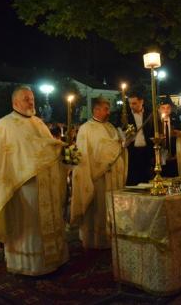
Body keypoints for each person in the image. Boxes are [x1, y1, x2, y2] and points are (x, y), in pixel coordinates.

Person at [0, 85, 69, 276]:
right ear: (15, 102)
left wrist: (64, 154)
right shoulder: (4, 125)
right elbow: (1, 161)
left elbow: (49, 150)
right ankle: (28, 265)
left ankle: (53, 260)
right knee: (29, 226)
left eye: (32, 98)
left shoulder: (39, 123)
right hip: (22, 186)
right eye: (26, 99)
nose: (31, 101)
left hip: (46, 184)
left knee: (47, 223)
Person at [71, 97, 126, 249]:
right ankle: (95, 240)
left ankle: (112, 237)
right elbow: (84, 153)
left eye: (108, 109)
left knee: (111, 207)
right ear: (96, 110)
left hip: (113, 175)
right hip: (97, 176)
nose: (108, 112)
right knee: (98, 208)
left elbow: (117, 146)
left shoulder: (110, 127)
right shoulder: (86, 129)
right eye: (105, 109)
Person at [125, 92, 154, 185]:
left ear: (141, 101)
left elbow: (153, 132)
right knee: (132, 180)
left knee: (146, 179)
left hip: (146, 152)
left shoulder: (150, 114)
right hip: (132, 152)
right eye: (130, 103)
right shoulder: (125, 116)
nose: (131, 106)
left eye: (134, 103)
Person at [158, 96, 181, 177]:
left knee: (173, 174)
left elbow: (179, 136)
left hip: (173, 154)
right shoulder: (156, 122)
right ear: (159, 109)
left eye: (168, 107)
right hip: (161, 154)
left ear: (171, 109)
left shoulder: (175, 120)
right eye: (163, 108)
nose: (166, 110)